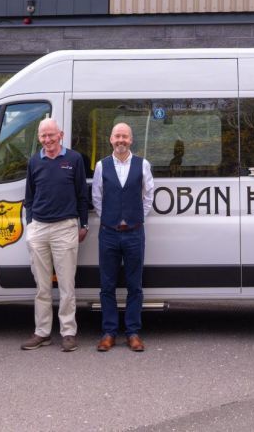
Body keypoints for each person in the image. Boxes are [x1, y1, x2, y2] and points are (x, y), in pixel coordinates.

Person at [20, 118, 89, 352]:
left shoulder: (74, 159)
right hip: (39, 228)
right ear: (39, 137)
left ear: (60, 135)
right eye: (43, 136)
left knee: (67, 285)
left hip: (65, 227)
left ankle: (68, 332)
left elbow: (82, 194)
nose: (47, 140)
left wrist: (84, 224)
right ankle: (42, 332)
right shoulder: (34, 162)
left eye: (51, 135)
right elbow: (29, 197)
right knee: (42, 286)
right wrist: (30, 225)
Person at [92, 123, 155, 352]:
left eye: (125, 136)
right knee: (107, 285)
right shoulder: (102, 165)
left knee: (134, 285)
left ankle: (133, 333)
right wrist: (109, 218)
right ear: (111, 139)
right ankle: (109, 332)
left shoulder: (142, 164)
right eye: (117, 136)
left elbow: (148, 195)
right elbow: (97, 196)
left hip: (134, 233)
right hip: (108, 233)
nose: (121, 140)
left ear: (131, 140)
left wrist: (137, 217)